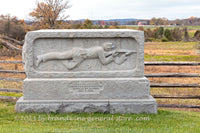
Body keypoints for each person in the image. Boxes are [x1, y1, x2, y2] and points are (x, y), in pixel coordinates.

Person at [36, 43, 135, 69]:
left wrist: (112, 55)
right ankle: (43, 58)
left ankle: (42, 57)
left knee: (60, 55)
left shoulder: (99, 48)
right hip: (81, 56)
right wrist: (112, 57)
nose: (110, 47)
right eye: (110, 46)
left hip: (79, 51)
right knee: (69, 66)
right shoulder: (100, 50)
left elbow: (103, 55)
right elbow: (104, 62)